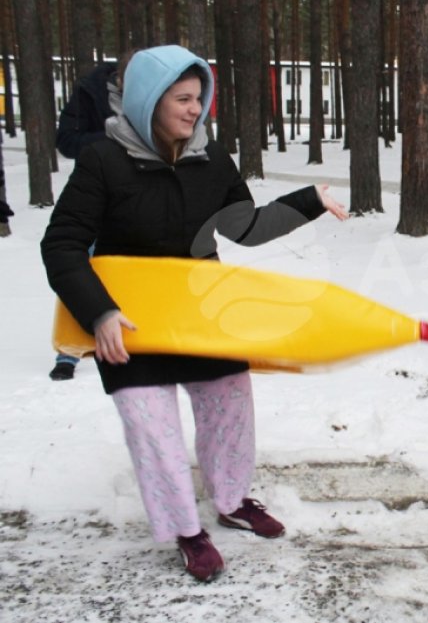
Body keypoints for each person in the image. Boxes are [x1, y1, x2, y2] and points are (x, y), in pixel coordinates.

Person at [40, 45, 349, 582]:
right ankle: (186, 529)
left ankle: (231, 501)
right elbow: (62, 245)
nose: (194, 109)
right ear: (148, 100)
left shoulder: (212, 158)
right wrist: (100, 314)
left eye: (199, 97)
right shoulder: (103, 159)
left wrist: (309, 201)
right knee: (151, 425)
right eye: (182, 98)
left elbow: (244, 227)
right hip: (128, 324)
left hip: (201, 314)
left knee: (231, 405)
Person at [49, 58, 124, 381]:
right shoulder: (90, 91)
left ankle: (131, 336)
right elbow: (66, 140)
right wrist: (110, 139)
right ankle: (67, 350)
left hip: (136, 192)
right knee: (81, 266)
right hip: (94, 190)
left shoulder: (159, 95)